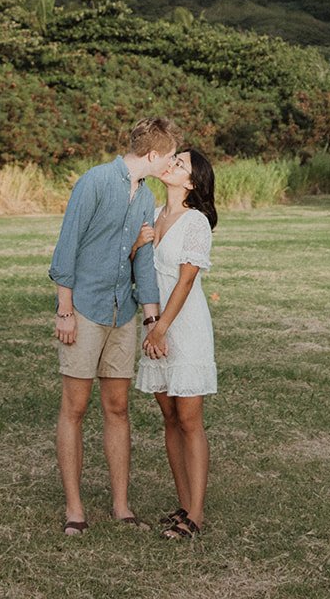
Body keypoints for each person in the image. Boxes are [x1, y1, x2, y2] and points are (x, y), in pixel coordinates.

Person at [49, 115, 180, 536]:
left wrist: (149, 316)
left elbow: (141, 260)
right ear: (154, 154)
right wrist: (65, 309)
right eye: (172, 157)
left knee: (118, 408)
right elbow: (67, 245)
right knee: (75, 408)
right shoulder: (94, 181)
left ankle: (122, 506)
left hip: (122, 313)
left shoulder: (144, 196)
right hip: (84, 309)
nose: (173, 164)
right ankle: (74, 509)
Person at [134, 148, 217, 540]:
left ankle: (196, 516)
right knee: (168, 417)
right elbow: (139, 271)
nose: (171, 163)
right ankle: (183, 504)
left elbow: (185, 282)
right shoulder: (151, 215)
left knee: (189, 419)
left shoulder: (195, 221)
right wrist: (137, 245)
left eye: (180, 163)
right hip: (155, 325)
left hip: (183, 327)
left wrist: (162, 328)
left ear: (192, 182)